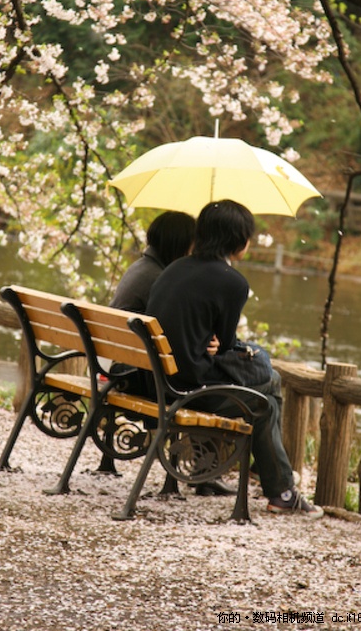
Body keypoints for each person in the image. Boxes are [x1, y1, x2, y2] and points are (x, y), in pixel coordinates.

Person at [147, 199, 324, 518]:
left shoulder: (176, 267)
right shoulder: (232, 282)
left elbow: (212, 340)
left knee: (266, 387)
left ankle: (276, 477)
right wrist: (220, 345)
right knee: (266, 392)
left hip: (156, 380)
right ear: (238, 239)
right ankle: (279, 486)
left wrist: (213, 344)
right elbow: (226, 343)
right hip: (187, 389)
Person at [106, 210, 233, 497]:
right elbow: (178, 337)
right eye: (192, 243)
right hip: (139, 375)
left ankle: (202, 473)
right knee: (202, 380)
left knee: (199, 376)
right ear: (180, 244)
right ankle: (203, 473)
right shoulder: (160, 278)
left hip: (124, 367)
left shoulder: (140, 267)